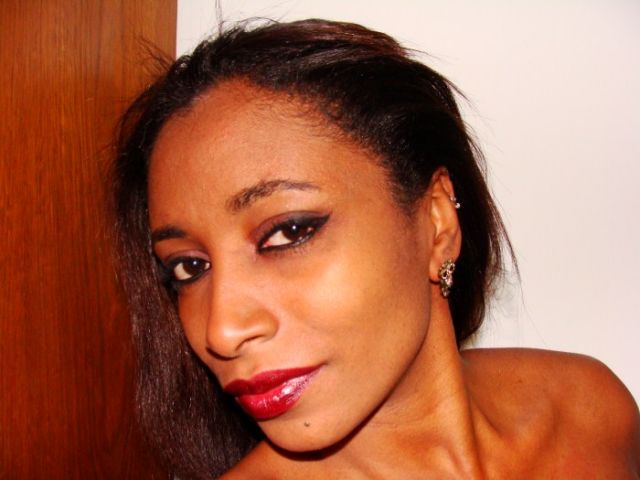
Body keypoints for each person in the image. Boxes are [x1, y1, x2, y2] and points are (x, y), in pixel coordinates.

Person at [112, 19, 640, 479]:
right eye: (189, 267)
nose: (221, 330)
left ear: (436, 221)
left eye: (289, 232)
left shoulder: (589, 410)